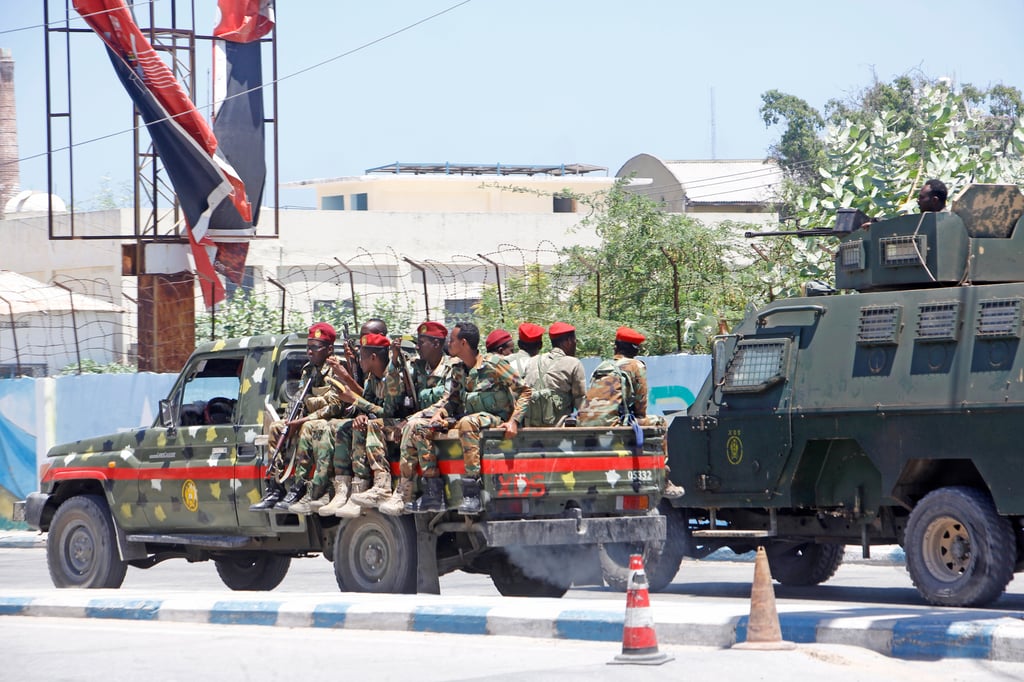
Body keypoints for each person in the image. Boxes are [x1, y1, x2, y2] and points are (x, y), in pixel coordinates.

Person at [382, 322, 532, 516]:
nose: (448, 344)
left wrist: (514, 421)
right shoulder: (459, 369)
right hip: (470, 418)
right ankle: (433, 490)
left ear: (463, 343)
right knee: (420, 426)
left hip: (495, 418)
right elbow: (452, 400)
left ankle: (473, 491)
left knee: (467, 422)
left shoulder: (494, 364)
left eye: (451, 340)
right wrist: (439, 414)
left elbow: (525, 390)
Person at [578, 326, 684, 498]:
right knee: (660, 422)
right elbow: (641, 406)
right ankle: (663, 477)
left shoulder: (603, 366)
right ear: (636, 350)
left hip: (583, 424)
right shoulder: (636, 366)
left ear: (615, 348)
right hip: (613, 424)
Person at [250, 322, 342, 511]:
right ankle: (274, 487)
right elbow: (299, 397)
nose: (310, 351)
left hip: (329, 422)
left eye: (315, 347)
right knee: (277, 427)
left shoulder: (336, 369)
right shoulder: (309, 370)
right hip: (310, 418)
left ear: (329, 349)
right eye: (308, 347)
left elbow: (334, 405)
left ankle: (299, 486)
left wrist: (305, 413)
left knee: (308, 429)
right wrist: (291, 419)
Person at [317, 332, 411, 516]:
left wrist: (355, 400)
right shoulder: (371, 379)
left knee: (372, 424)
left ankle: (380, 485)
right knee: (346, 427)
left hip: (399, 422)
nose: (359, 361)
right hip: (380, 421)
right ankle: (347, 488)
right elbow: (368, 405)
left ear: (373, 357)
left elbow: (389, 412)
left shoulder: (392, 377)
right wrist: (360, 413)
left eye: (362, 356)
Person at [522, 321, 586, 426]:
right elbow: (581, 402)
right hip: (559, 431)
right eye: (575, 340)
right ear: (568, 341)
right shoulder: (573, 363)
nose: (575, 344)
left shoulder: (532, 361)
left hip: (530, 430)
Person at [408, 320, 453, 408]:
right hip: (418, 418)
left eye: (421, 343)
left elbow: (447, 402)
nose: (417, 347)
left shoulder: (451, 368)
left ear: (436, 344)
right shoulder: (417, 367)